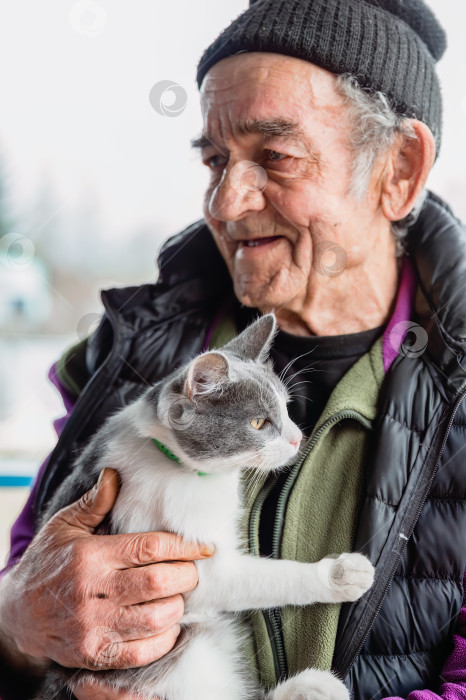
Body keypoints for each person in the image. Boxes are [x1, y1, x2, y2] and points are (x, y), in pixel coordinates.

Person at [1, 0, 465, 698]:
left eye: (275, 156)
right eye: (216, 159)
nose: (224, 201)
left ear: (398, 169)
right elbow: (31, 579)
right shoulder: (128, 352)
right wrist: (16, 627)